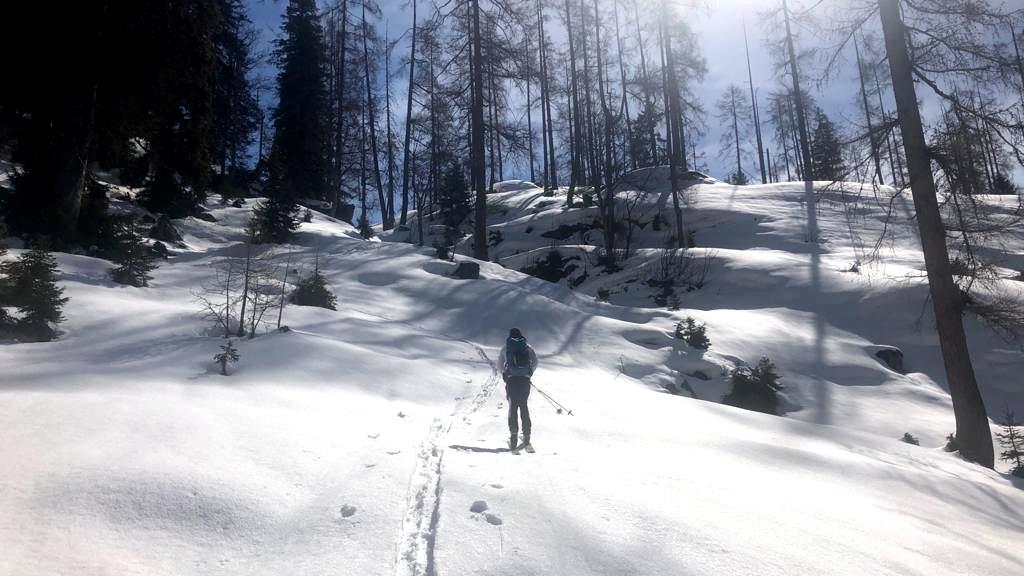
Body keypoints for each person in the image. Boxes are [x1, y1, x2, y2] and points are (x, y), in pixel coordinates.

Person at [499, 328, 539, 452]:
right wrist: (528, 373)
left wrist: (505, 374)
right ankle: (526, 436)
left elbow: (500, 365)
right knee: (524, 406)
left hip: (512, 381)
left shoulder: (506, 347)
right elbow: (535, 362)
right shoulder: (527, 347)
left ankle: (513, 437)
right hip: (524, 381)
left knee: (513, 407)